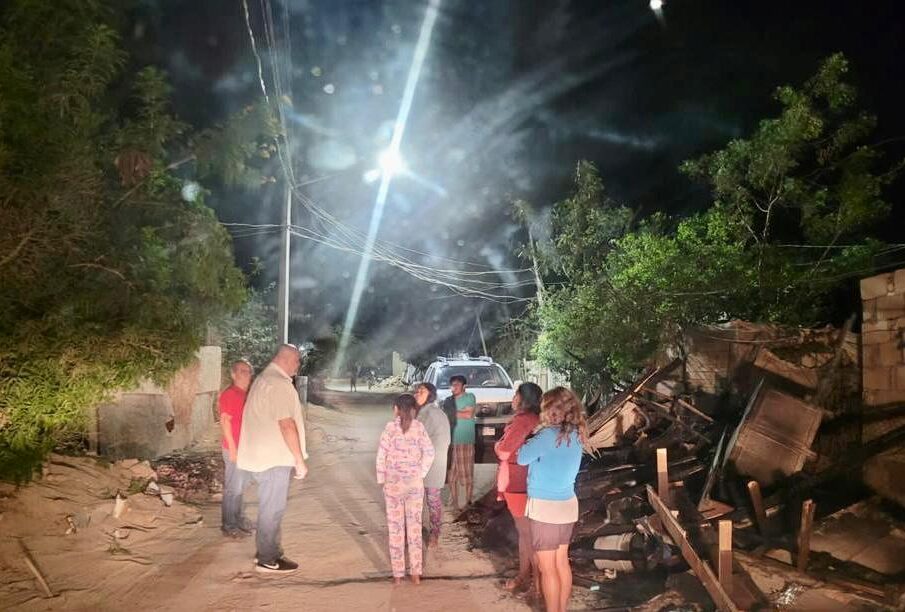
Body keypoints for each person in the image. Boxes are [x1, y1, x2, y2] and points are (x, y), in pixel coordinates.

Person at [517, 387, 592, 612]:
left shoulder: (546, 436)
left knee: (547, 569)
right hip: (567, 505)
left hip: (545, 508)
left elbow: (521, 458)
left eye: (547, 407)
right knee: (562, 562)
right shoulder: (578, 434)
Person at [237, 344, 309, 573]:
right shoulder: (278, 384)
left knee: (271, 508)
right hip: (273, 459)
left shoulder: (264, 379)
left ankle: (271, 553)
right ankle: (267, 559)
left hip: (263, 457)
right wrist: (299, 460)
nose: (298, 366)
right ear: (286, 359)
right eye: (297, 361)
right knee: (272, 509)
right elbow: (286, 424)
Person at [376, 393, 435, 585]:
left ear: (396, 409)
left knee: (395, 529)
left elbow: (381, 456)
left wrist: (382, 478)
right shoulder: (419, 428)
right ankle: (416, 573)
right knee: (415, 528)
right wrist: (420, 473)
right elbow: (430, 452)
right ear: (413, 409)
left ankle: (398, 574)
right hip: (414, 485)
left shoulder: (390, 428)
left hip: (393, 485)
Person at [494, 382, 543, 594]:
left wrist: (497, 445)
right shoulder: (537, 420)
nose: (513, 399)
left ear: (524, 399)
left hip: (517, 482)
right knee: (527, 534)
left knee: (527, 535)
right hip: (528, 481)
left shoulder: (523, 422)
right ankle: (525, 576)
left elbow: (504, 451)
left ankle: (537, 584)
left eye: (515, 395)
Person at [220, 359, 254, 538]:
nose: (246, 374)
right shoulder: (230, 394)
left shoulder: (245, 394)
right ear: (233, 375)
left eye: (248, 371)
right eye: (241, 371)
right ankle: (229, 525)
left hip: (245, 449)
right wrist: (233, 450)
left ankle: (239, 519)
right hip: (234, 449)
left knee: (240, 487)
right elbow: (225, 422)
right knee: (233, 488)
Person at [414, 382, 451, 547]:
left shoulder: (426, 414)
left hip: (428, 464)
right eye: (417, 391)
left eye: (421, 391)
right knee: (433, 499)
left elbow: (416, 439)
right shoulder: (437, 412)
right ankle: (434, 534)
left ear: (430, 395)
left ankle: (427, 533)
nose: (417, 394)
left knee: (424, 500)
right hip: (438, 462)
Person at [446, 375, 477, 509]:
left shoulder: (470, 396)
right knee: (452, 474)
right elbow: (454, 415)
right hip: (452, 440)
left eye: (457, 384)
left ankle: (468, 500)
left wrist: (454, 413)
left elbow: (468, 415)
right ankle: (454, 500)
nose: (454, 387)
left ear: (464, 386)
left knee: (467, 471)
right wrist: (459, 413)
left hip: (465, 439)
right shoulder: (448, 400)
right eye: (452, 385)